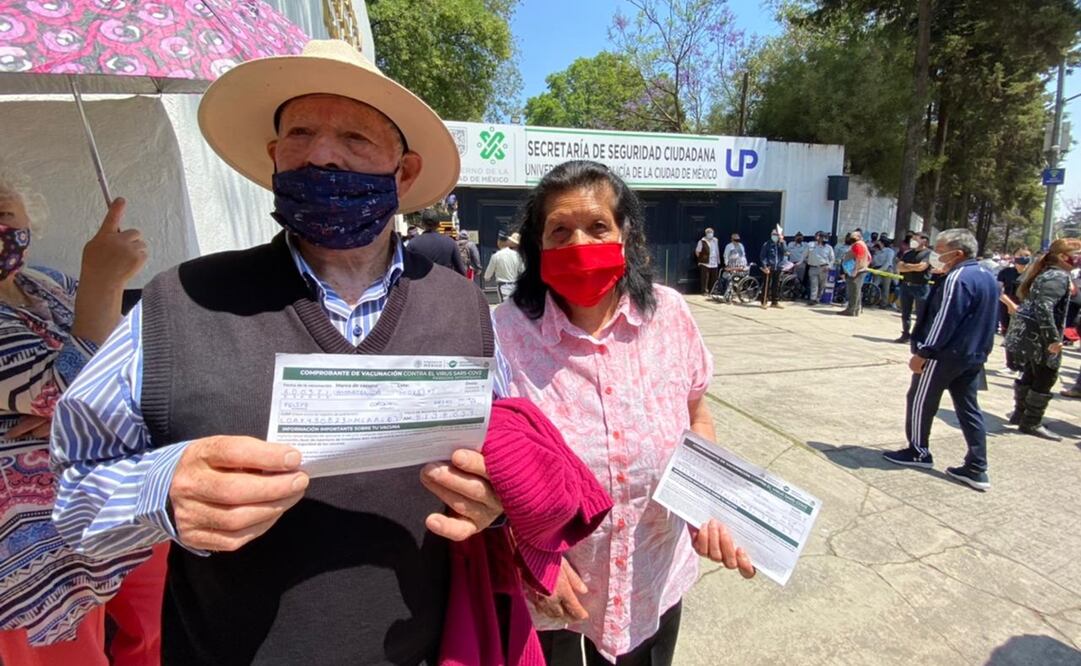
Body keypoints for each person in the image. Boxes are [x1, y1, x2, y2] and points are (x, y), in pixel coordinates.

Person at [49, 40, 517, 664]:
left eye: (355, 138)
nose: (321, 153)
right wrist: (158, 492)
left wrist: (497, 505)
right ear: (274, 158)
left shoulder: (463, 310)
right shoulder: (180, 302)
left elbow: (511, 461)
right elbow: (71, 498)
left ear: (403, 174)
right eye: (300, 132)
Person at [493, 161, 755, 666]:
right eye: (559, 231)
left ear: (625, 235)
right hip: (550, 584)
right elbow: (483, 462)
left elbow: (697, 415)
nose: (578, 245)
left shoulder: (671, 315)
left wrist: (708, 502)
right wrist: (533, 560)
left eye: (597, 228)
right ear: (537, 245)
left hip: (651, 576)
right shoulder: (503, 334)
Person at [0, 171, 168, 665]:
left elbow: (142, 357)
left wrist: (74, 411)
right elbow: (67, 394)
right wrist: (103, 281)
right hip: (29, 541)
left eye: (3, 214)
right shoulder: (76, 285)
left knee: (158, 633)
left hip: (119, 495)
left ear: (30, 219)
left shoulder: (45, 283)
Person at [883, 229, 999, 491]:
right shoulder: (986, 276)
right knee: (968, 408)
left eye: (940, 249)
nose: (935, 254)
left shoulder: (958, 277)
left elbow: (944, 320)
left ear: (957, 253)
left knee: (920, 400)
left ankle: (918, 451)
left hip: (944, 355)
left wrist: (924, 352)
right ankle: (977, 466)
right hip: (973, 355)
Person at [1003, 238, 1081, 441]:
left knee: (1031, 372)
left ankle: (1020, 414)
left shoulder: (1049, 272)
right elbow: (1044, 308)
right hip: (1040, 336)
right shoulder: (1057, 276)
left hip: (1032, 335)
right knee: (1046, 375)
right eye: (1077, 253)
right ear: (1063, 256)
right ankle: (1031, 421)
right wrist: (1053, 339)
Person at [895, 232, 932, 340]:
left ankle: (918, 336)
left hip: (921, 287)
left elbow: (922, 267)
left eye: (916, 239)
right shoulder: (908, 253)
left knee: (921, 314)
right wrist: (911, 267)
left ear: (924, 241)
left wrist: (906, 266)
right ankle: (905, 333)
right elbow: (899, 267)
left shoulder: (928, 254)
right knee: (905, 312)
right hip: (906, 285)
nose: (913, 242)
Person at [408, 208, 467, 274]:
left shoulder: (413, 243)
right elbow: (461, 270)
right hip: (445, 282)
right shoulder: (450, 242)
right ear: (439, 224)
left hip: (422, 282)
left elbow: (405, 268)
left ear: (422, 224)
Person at [996, 249, 1031, 335]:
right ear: (1014, 256)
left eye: (1026, 255)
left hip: (1025, 306)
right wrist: (1010, 305)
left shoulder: (1033, 273)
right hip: (1006, 304)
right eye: (1020, 255)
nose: (1023, 257)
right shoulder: (1005, 272)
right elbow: (998, 290)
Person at [485, 231, 525, 303]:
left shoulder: (496, 256)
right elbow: (522, 270)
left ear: (499, 243)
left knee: (504, 306)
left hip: (503, 286)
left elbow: (487, 275)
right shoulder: (517, 255)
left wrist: (487, 277)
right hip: (516, 285)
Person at [840, 231, 870, 316]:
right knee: (856, 290)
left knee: (854, 291)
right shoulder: (862, 245)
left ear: (859, 237)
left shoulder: (858, 245)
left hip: (857, 271)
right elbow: (869, 258)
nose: (851, 238)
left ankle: (851, 310)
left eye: (853, 236)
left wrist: (855, 270)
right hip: (859, 270)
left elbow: (859, 258)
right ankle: (855, 309)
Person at [760, 228, 787, 309]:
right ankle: (764, 302)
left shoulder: (782, 243)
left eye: (776, 235)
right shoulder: (767, 244)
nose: (774, 236)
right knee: (766, 285)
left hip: (778, 267)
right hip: (769, 267)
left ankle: (774, 302)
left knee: (776, 285)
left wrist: (782, 242)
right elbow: (763, 256)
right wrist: (765, 266)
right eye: (773, 234)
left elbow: (785, 252)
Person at [806, 232, 835, 303]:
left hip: (824, 268)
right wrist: (801, 262)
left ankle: (818, 298)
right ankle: (813, 299)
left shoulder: (829, 248)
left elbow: (832, 259)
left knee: (822, 285)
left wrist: (829, 266)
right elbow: (805, 254)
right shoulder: (811, 245)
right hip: (813, 267)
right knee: (814, 284)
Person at [870, 236, 896, 308]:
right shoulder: (877, 251)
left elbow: (888, 262)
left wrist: (880, 270)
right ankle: (871, 301)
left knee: (885, 287)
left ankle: (884, 303)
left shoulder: (890, 251)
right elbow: (874, 261)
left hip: (887, 269)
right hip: (877, 268)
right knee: (874, 285)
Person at [695, 227, 720, 295]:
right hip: (705, 262)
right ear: (706, 233)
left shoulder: (715, 240)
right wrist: (701, 258)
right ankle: (704, 291)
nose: (710, 234)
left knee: (714, 277)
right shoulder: (701, 241)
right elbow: (697, 251)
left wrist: (718, 260)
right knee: (705, 277)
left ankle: (713, 290)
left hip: (714, 261)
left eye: (711, 232)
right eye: (709, 232)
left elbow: (717, 250)